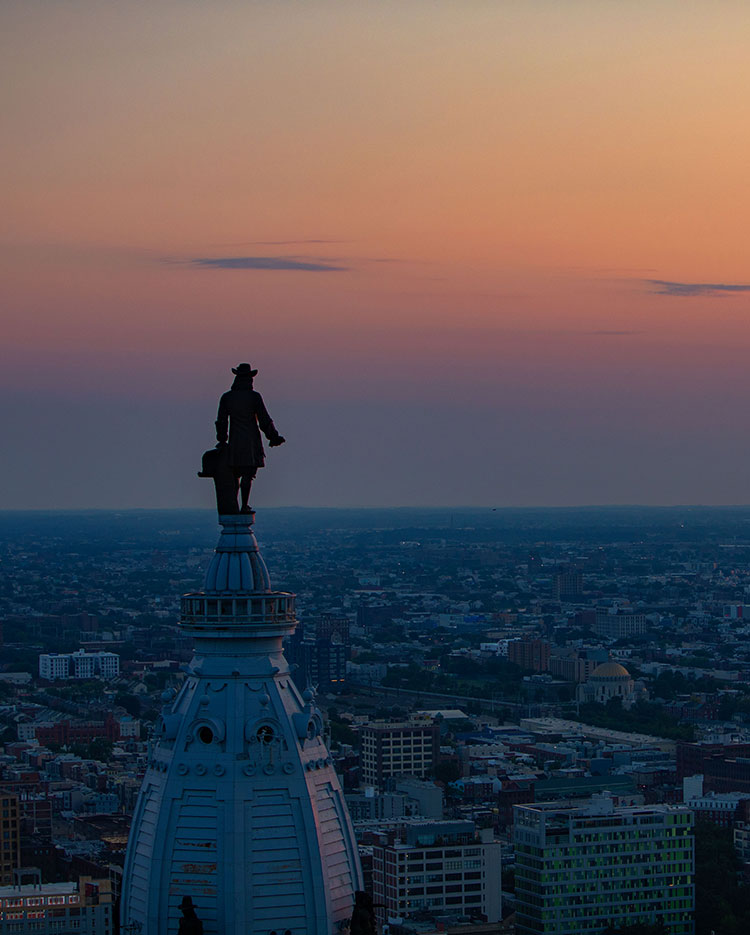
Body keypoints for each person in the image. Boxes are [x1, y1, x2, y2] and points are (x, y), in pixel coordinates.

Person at [215, 363, 285, 512]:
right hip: (251, 442)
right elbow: (264, 420)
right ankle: (244, 505)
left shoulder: (227, 398)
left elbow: (221, 422)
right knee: (248, 475)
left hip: (234, 442)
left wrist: (222, 440)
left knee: (235, 476)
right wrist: (273, 436)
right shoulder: (254, 397)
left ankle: (235, 505)